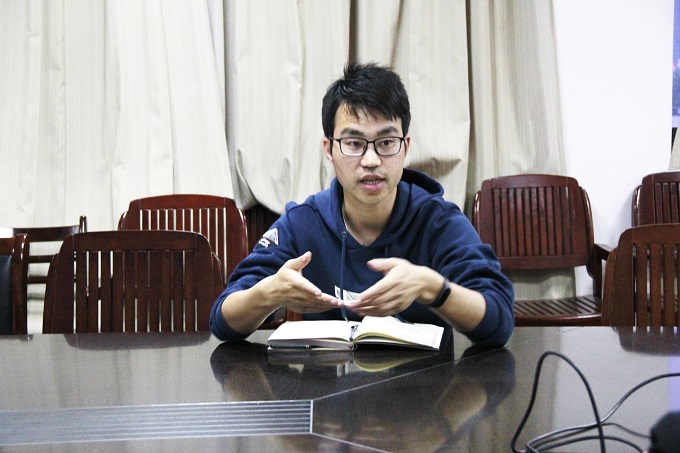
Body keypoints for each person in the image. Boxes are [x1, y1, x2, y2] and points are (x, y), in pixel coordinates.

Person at [210, 62, 514, 346]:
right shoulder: (302, 222)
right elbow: (222, 320)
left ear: (405, 147)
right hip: (327, 381)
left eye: (386, 142)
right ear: (329, 149)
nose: (371, 160)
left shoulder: (438, 220)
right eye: (354, 143)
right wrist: (267, 294)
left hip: (425, 381)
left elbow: (500, 320)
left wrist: (432, 288)